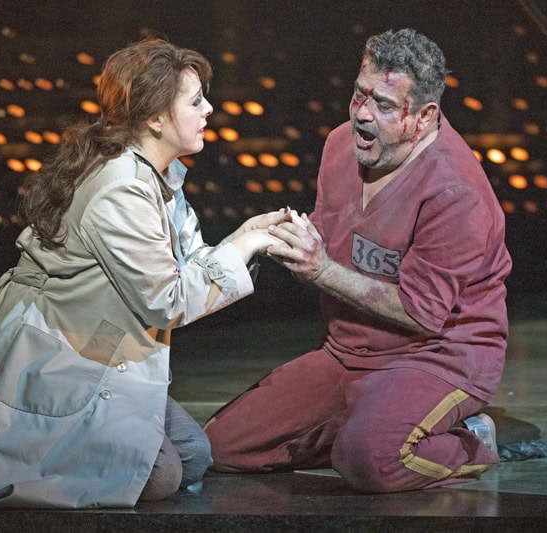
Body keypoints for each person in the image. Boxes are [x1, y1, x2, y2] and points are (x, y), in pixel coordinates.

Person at [0, 37, 285, 508]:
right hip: (58, 360)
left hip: (98, 349)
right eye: (195, 101)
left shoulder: (157, 174)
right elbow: (167, 301)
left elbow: (191, 260)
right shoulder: (121, 188)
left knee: (192, 456)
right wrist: (245, 244)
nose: (209, 108)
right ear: (154, 117)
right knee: (163, 475)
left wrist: (248, 237)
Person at [205, 28, 512, 493]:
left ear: (425, 116)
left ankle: (469, 441)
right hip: (347, 352)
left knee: (372, 459)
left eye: (385, 106)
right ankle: (365, 426)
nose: (363, 115)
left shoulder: (454, 191)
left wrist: (322, 270)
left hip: (438, 358)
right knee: (219, 448)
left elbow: (421, 312)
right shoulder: (339, 147)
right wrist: (279, 239)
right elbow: (332, 239)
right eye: (359, 95)